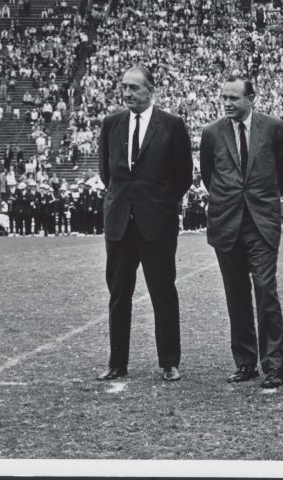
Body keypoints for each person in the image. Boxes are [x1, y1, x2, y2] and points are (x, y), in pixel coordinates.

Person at [97, 65, 193, 382]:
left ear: (150, 90)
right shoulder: (111, 124)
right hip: (120, 223)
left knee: (162, 292)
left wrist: (160, 204)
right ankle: (117, 363)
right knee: (119, 294)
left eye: (134, 88)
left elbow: (183, 176)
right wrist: (123, 202)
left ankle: (168, 362)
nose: (127, 94)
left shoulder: (172, 125)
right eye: (124, 87)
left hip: (157, 223)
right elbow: (107, 174)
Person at [199, 76, 283, 389]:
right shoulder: (211, 133)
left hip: (261, 225)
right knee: (236, 296)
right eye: (224, 97)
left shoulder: (273, 127)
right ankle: (245, 363)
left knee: (266, 292)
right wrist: (232, 202)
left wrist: (259, 201)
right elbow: (208, 176)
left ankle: (273, 366)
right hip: (226, 224)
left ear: (251, 98)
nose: (227, 103)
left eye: (234, 98)